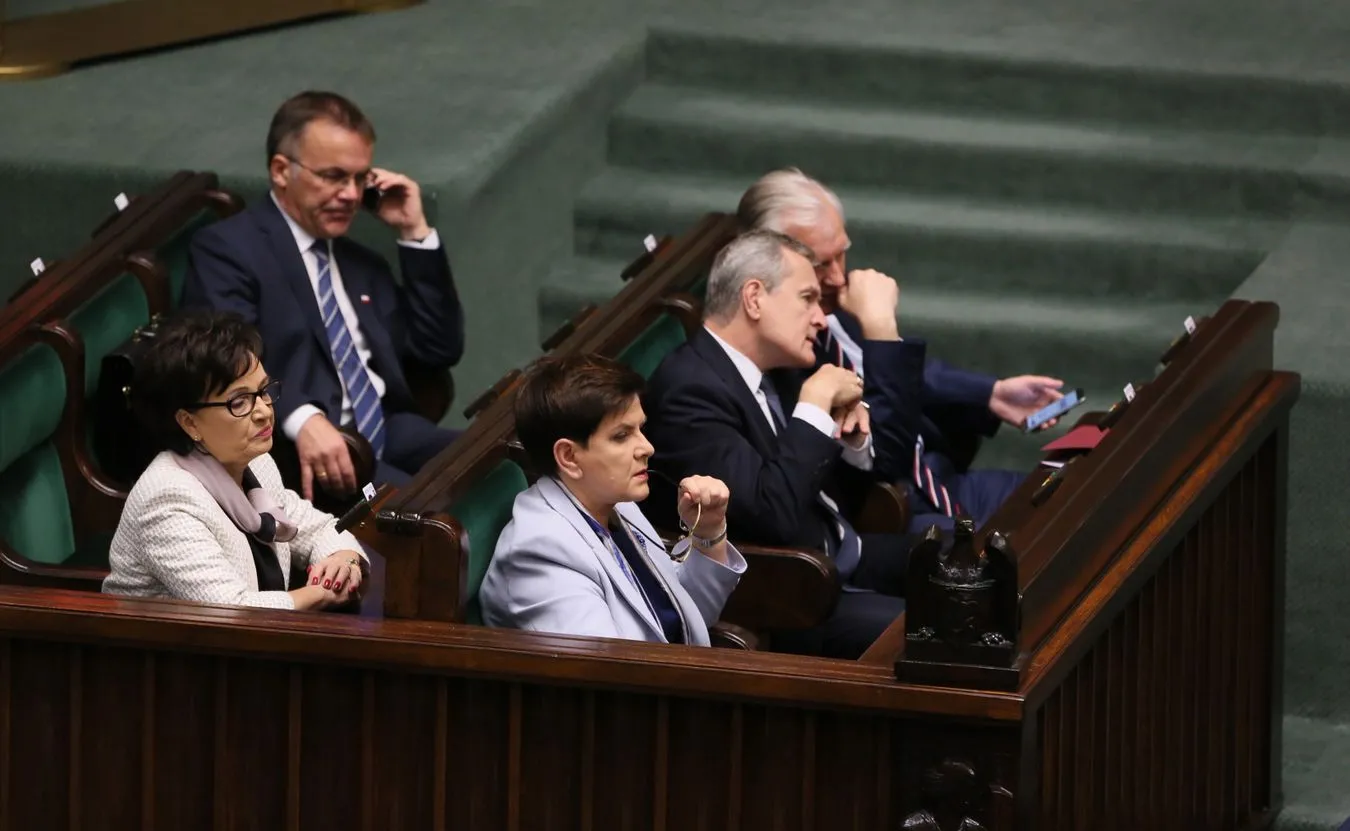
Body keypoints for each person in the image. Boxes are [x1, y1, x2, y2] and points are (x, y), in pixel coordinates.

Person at [643, 230, 941, 659]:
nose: (821, 318)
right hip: (789, 598)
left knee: (976, 569)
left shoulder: (777, 366)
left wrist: (853, 441)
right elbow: (773, 516)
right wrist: (816, 406)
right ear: (754, 298)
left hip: (842, 554)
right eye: (807, 298)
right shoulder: (689, 392)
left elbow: (856, 473)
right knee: (944, 634)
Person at [737, 168, 1067, 526]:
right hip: (895, 514)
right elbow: (883, 458)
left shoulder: (831, 307)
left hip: (940, 479)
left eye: (840, 255)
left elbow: (896, 375)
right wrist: (881, 329)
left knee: (1077, 494)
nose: (836, 277)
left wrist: (991, 394)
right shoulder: (782, 348)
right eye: (818, 264)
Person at [182, 90, 464, 501]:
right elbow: (224, 360)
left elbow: (439, 349)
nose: (351, 194)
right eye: (334, 176)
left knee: (500, 467)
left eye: (360, 179)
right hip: (304, 453)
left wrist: (414, 232)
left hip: (391, 427)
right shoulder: (228, 250)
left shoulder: (361, 263)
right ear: (281, 170)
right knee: (439, 521)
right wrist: (301, 416)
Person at [102, 311, 368, 611]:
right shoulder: (167, 500)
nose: (264, 412)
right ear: (189, 423)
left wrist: (343, 562)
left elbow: (320, 529)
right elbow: (232, 611)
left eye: (264, 392)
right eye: (239, 402)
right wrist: (321, 594)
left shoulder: (256, 463)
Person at [480, 354, 746, 645]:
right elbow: (610, 676)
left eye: (640, 429)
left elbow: (687, 617)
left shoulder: (616, 504)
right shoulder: (540, 552)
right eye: (622, 436)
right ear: (569, 457)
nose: (647, 447)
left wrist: (707, 531)